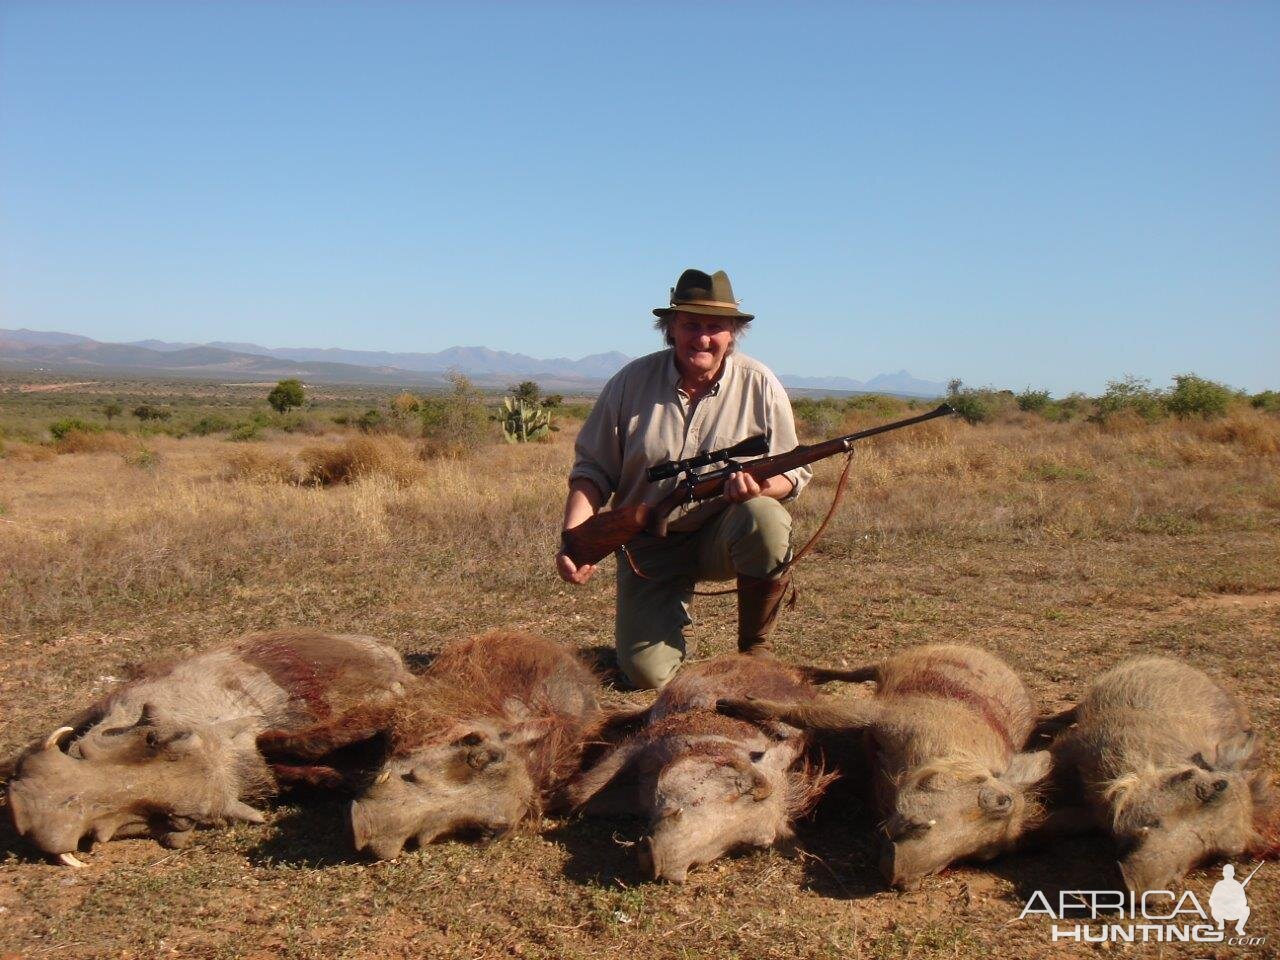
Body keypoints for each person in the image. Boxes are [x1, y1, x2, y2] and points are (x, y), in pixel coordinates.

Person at [555, 268, 810, 689]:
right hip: (649, 546)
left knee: (764, 517)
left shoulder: (760, 383)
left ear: (733, 333)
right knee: (645, 675)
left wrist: (761, 487)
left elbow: (792, 471)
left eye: (716, 327)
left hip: (722, 535)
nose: (703, 338)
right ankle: (657, 630)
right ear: (670, 328)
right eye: (691, 324)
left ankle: (754, 652)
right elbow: (593, 471)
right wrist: (575, 539)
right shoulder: (630, 383)